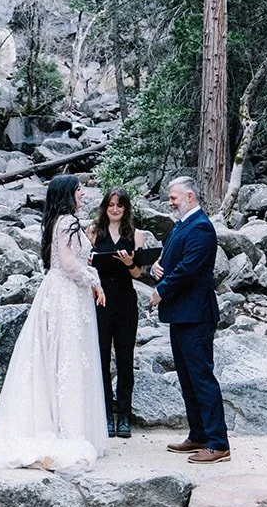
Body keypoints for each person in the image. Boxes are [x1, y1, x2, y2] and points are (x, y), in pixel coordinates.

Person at [0, 174, 110, 471]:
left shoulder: (61, 221)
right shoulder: (67, 222)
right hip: (66, 294)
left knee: (63, 357)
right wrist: (94, 281)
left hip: (64, 292)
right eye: (79, 189)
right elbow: (68, 263)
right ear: (68, 193)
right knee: (67, 356)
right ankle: (67, 428)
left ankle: (64, 422)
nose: (83, 193)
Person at [149, 175, 230, 464]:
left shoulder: (202, 228)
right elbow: (172, 259)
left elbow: (189, 268)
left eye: (174, 197)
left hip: (196, 314)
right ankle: (198, 435)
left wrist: (162, 289)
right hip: (182, 314)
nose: (170, 202)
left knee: (201, 377)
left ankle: (218, 443)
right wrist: (158, 267)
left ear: (190, 198)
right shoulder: (182, 225)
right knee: (187, 377)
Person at [90, 188, 148, 439]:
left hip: (125, 301)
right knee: (101, 358)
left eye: (120, 206)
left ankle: (124, 415)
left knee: (125, 359)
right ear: (105, 207)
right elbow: (86, 267)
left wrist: (128, 263)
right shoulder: (93, 232)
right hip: (100, 301)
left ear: (126, 209)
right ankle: (104, 413)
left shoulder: (136, 235)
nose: (115, 209)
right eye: (111, 205)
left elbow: (138, 274)